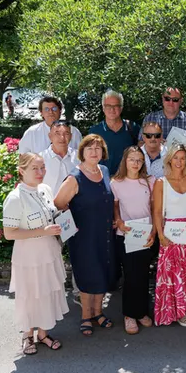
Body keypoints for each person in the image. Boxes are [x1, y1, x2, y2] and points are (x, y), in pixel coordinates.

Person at [2, 153, 68, 355]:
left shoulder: (45, 189)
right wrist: (43, 231)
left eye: (43, 167)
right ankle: (28, 335)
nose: (41, 172)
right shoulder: (15, 198)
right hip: (29, 257)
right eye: (35, 169)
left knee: (47, 293)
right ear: (21, 171)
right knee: (31, 295)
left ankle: (43, 333)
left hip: (49, 252)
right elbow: (9, 233)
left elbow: (51, 215)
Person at [54, 134, 116, 336]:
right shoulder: (75, 177)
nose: (94, 152)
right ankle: (86, 316)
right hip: (84, 236)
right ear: (82, 152)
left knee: (102, 271)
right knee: (87, 273)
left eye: (98, 148)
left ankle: (98, 312)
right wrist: (73, 220)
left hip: (104, 233)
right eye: (89, 148)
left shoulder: (104, 171)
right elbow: (59, 203)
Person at [153, 144, 186, 326]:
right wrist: (160, 235)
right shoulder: (161, 182)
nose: (179, 161)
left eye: (183, 158)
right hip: (170, 232)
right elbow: (157, 212)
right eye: (175, 157)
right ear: (169, 159)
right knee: (173, 273)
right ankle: (177, 311)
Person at [111, 147, 156, 335]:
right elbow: (115, 206)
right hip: (126, 235)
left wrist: (154, 230)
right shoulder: (116, 183)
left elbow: (154, 207)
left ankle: (141, 312)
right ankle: (129, 315)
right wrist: (119, 221)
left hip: (146, 234)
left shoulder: (150, 181)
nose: (135, 163)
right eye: (132, 159)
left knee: (143, 274)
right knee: (130, 276)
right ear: (125, 160)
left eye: (139, 160)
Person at [89, 90, 140, 175]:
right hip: (102, 179)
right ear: (103, 108)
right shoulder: (95, 131)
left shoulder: (133, 128)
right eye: (108, 106)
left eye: (116, 106)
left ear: (121, 108)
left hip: (128, 178)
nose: (112, 109)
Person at [140, 87, 186, 156]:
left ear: (181, 101)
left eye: (175, 100)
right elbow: (140, 142)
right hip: (154, 160)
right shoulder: (150, 119)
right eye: (167, 99)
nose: (171, 103)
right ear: (162, 99)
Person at [39, 121, 80, 196]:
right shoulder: (40, 159)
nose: (62, 138)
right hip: (48, 202)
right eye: (57, 134)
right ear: (50, 136)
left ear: (71, 136)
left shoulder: (80, 157)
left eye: (66, 134)